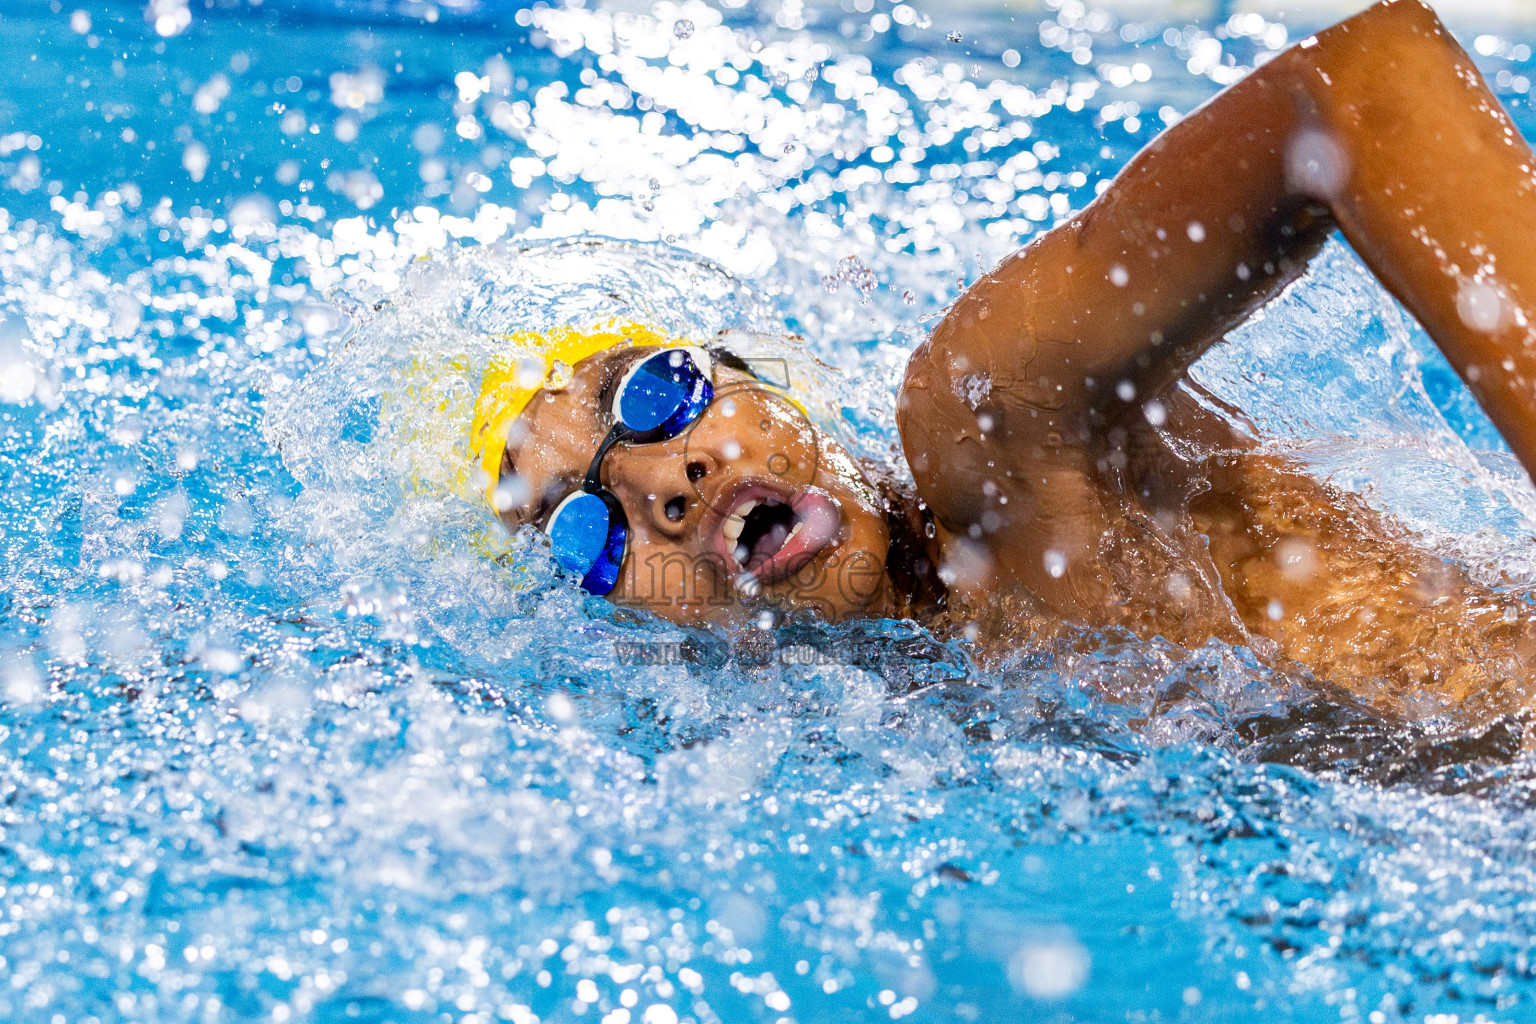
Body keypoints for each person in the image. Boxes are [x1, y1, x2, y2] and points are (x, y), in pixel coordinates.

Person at [475, 0, 1536, 720]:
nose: (665, 483)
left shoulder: (989, 416)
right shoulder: (929, 724)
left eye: (656, 396)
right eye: (587, 525)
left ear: (759, 378)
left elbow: (1363, 84)